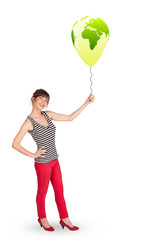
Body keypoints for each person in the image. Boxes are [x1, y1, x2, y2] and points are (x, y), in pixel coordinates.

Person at [12, 88, 95, 231]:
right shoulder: (29, 122)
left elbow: (70, 117)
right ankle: (42, 218)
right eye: (41, 98)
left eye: (46, 100)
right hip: (43, 163)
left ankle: (65, 218)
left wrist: (86, 103)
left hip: (55, 160)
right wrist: (33, 154)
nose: (44, 102)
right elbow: (15, 144)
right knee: (42, 192)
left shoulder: (48, 115)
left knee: (59, 190)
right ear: (33, 99)